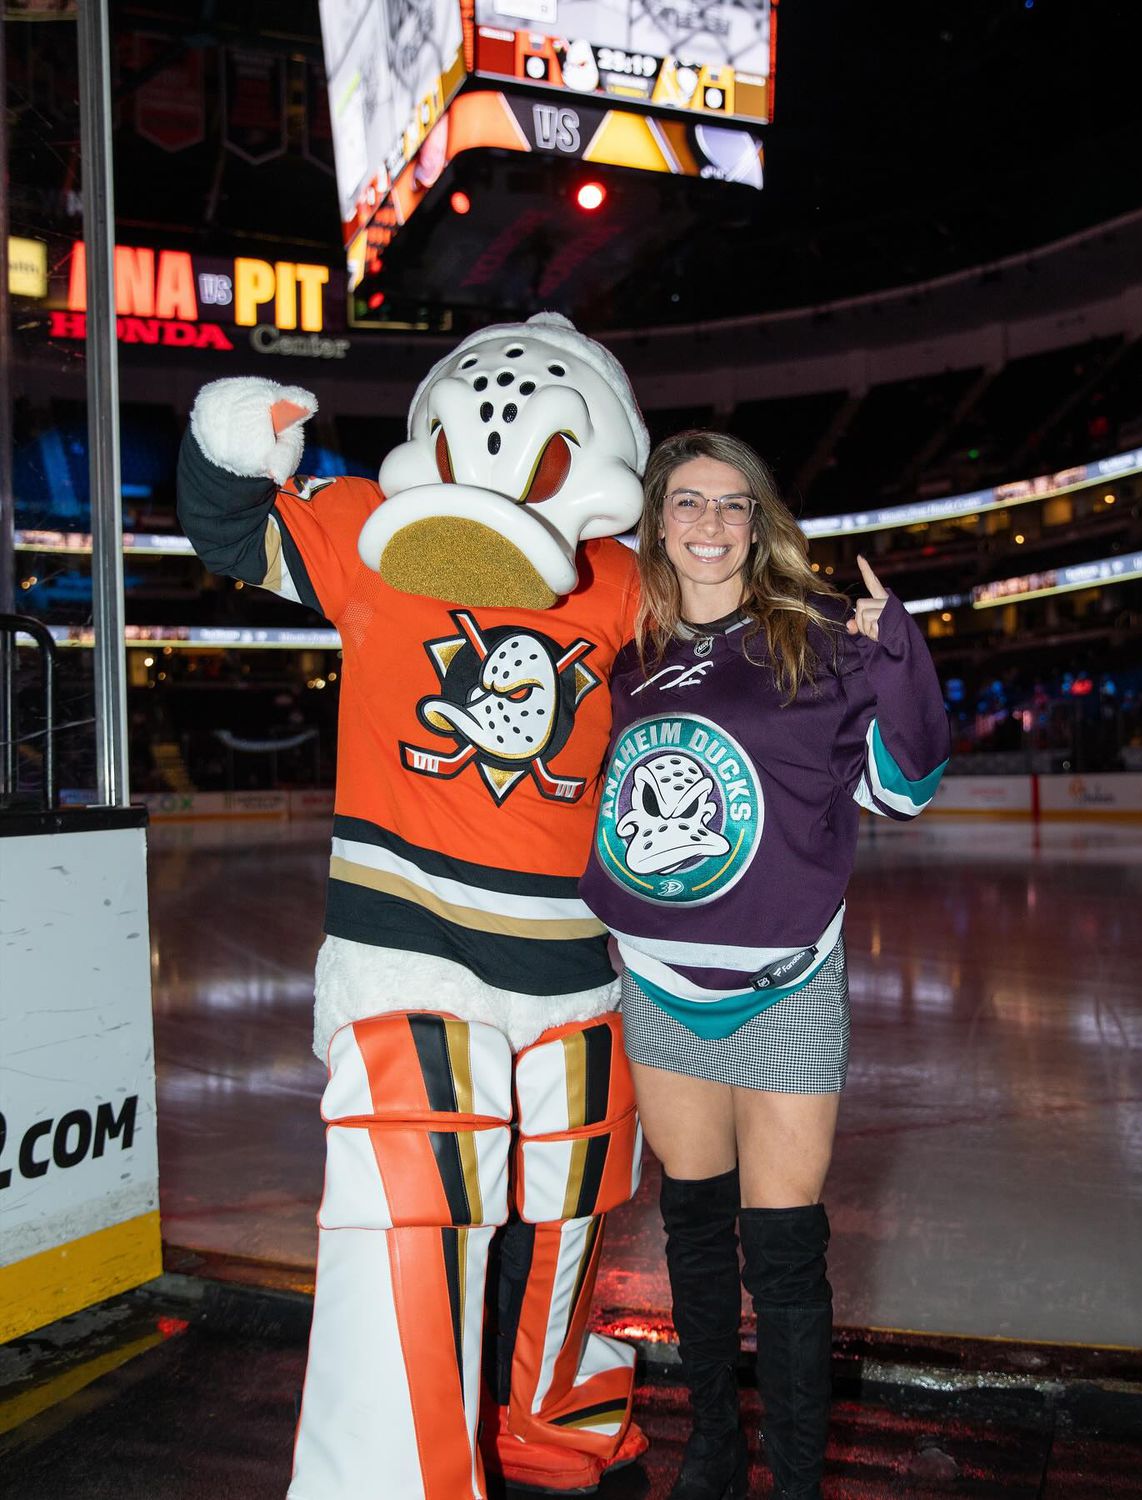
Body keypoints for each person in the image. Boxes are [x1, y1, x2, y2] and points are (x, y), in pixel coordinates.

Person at [176, 314, 652, 1500]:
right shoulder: (365, 536)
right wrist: (233, 445)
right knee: (417, 1205)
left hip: (572, 965)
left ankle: (552, 1416)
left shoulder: (625, 582)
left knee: (574, 1196)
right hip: (406, 957)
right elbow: (228, 530)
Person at [580, 430, 950, 1500]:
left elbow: (909, 783)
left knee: (784, 1252)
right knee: (694, 1229)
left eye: (732, 504)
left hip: (786, 985)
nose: (709, 523)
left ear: (760, 522)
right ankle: (711, 1446)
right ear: (658, 523)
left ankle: (794, 1478)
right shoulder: (629, 654)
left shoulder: (820, 637)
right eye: (687, 502)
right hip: (657, 979)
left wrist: (900, 656)